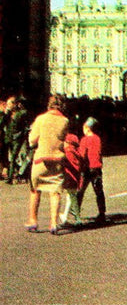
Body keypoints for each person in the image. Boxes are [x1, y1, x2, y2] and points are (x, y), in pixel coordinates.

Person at [26, 94, 69, 234]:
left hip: (40, 161)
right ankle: (53, 223)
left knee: (35, 190)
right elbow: (64, 140)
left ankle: (33, 221)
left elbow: (32, 140)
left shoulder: (40, 119)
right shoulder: (65, 121)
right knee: (55, 192)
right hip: (57, 160)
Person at [78, 117, 106, 225]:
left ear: (87, 128)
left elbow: (82, 154)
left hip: (87, 169)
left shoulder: (84, 140)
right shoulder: (97, 138)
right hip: (97, 168)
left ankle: (76, 212)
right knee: (99, 191)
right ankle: (102, 212)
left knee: (80, 191)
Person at [59, 127, 83, 228]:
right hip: (76, 177)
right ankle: (69, 217)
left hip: (69, 177)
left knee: (71, 197)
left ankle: (76, 218)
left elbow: (64, 164)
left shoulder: (67, 152)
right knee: (71, 197)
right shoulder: (76, 152)